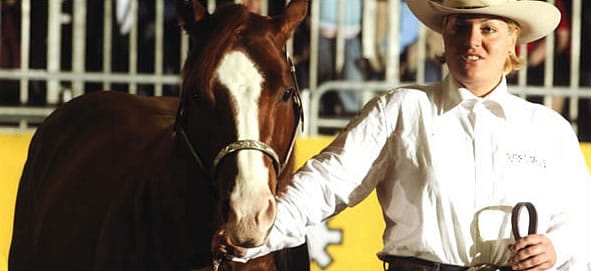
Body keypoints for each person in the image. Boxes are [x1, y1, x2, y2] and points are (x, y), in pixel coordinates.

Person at [216, 0, 591, 270]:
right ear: (444, 37)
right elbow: (326, 184)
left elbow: (581, 223)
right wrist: (256, 236)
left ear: (513, 41)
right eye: (460, 27)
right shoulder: (401, 109)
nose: (472, 40)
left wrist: (556, 249)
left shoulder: (549, 129)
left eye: (488, 28)